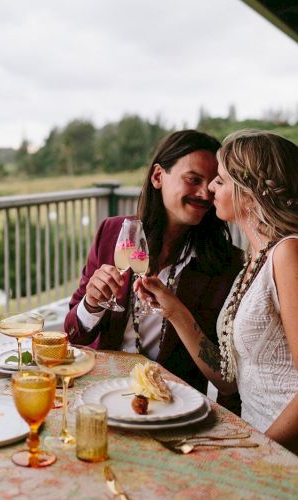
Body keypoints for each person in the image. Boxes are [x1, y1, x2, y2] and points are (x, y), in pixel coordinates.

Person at [138, 130, 298, 453]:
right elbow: (227, 379)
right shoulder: (253, 261)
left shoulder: (288, 254)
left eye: (220, 181)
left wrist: (259, 450)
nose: (210, 189)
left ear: (250, 191)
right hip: (253, 438)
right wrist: (175, 310)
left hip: (281, 453)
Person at [64, 130, 243, 410]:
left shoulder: (226, 264)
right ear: (158, 176)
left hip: (171, 405)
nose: (203, 193)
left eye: (212, 184)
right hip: (100, 393)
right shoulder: (113, 232)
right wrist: (91, 303)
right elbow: (74, 333)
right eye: (193, 180)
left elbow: (226, 372)